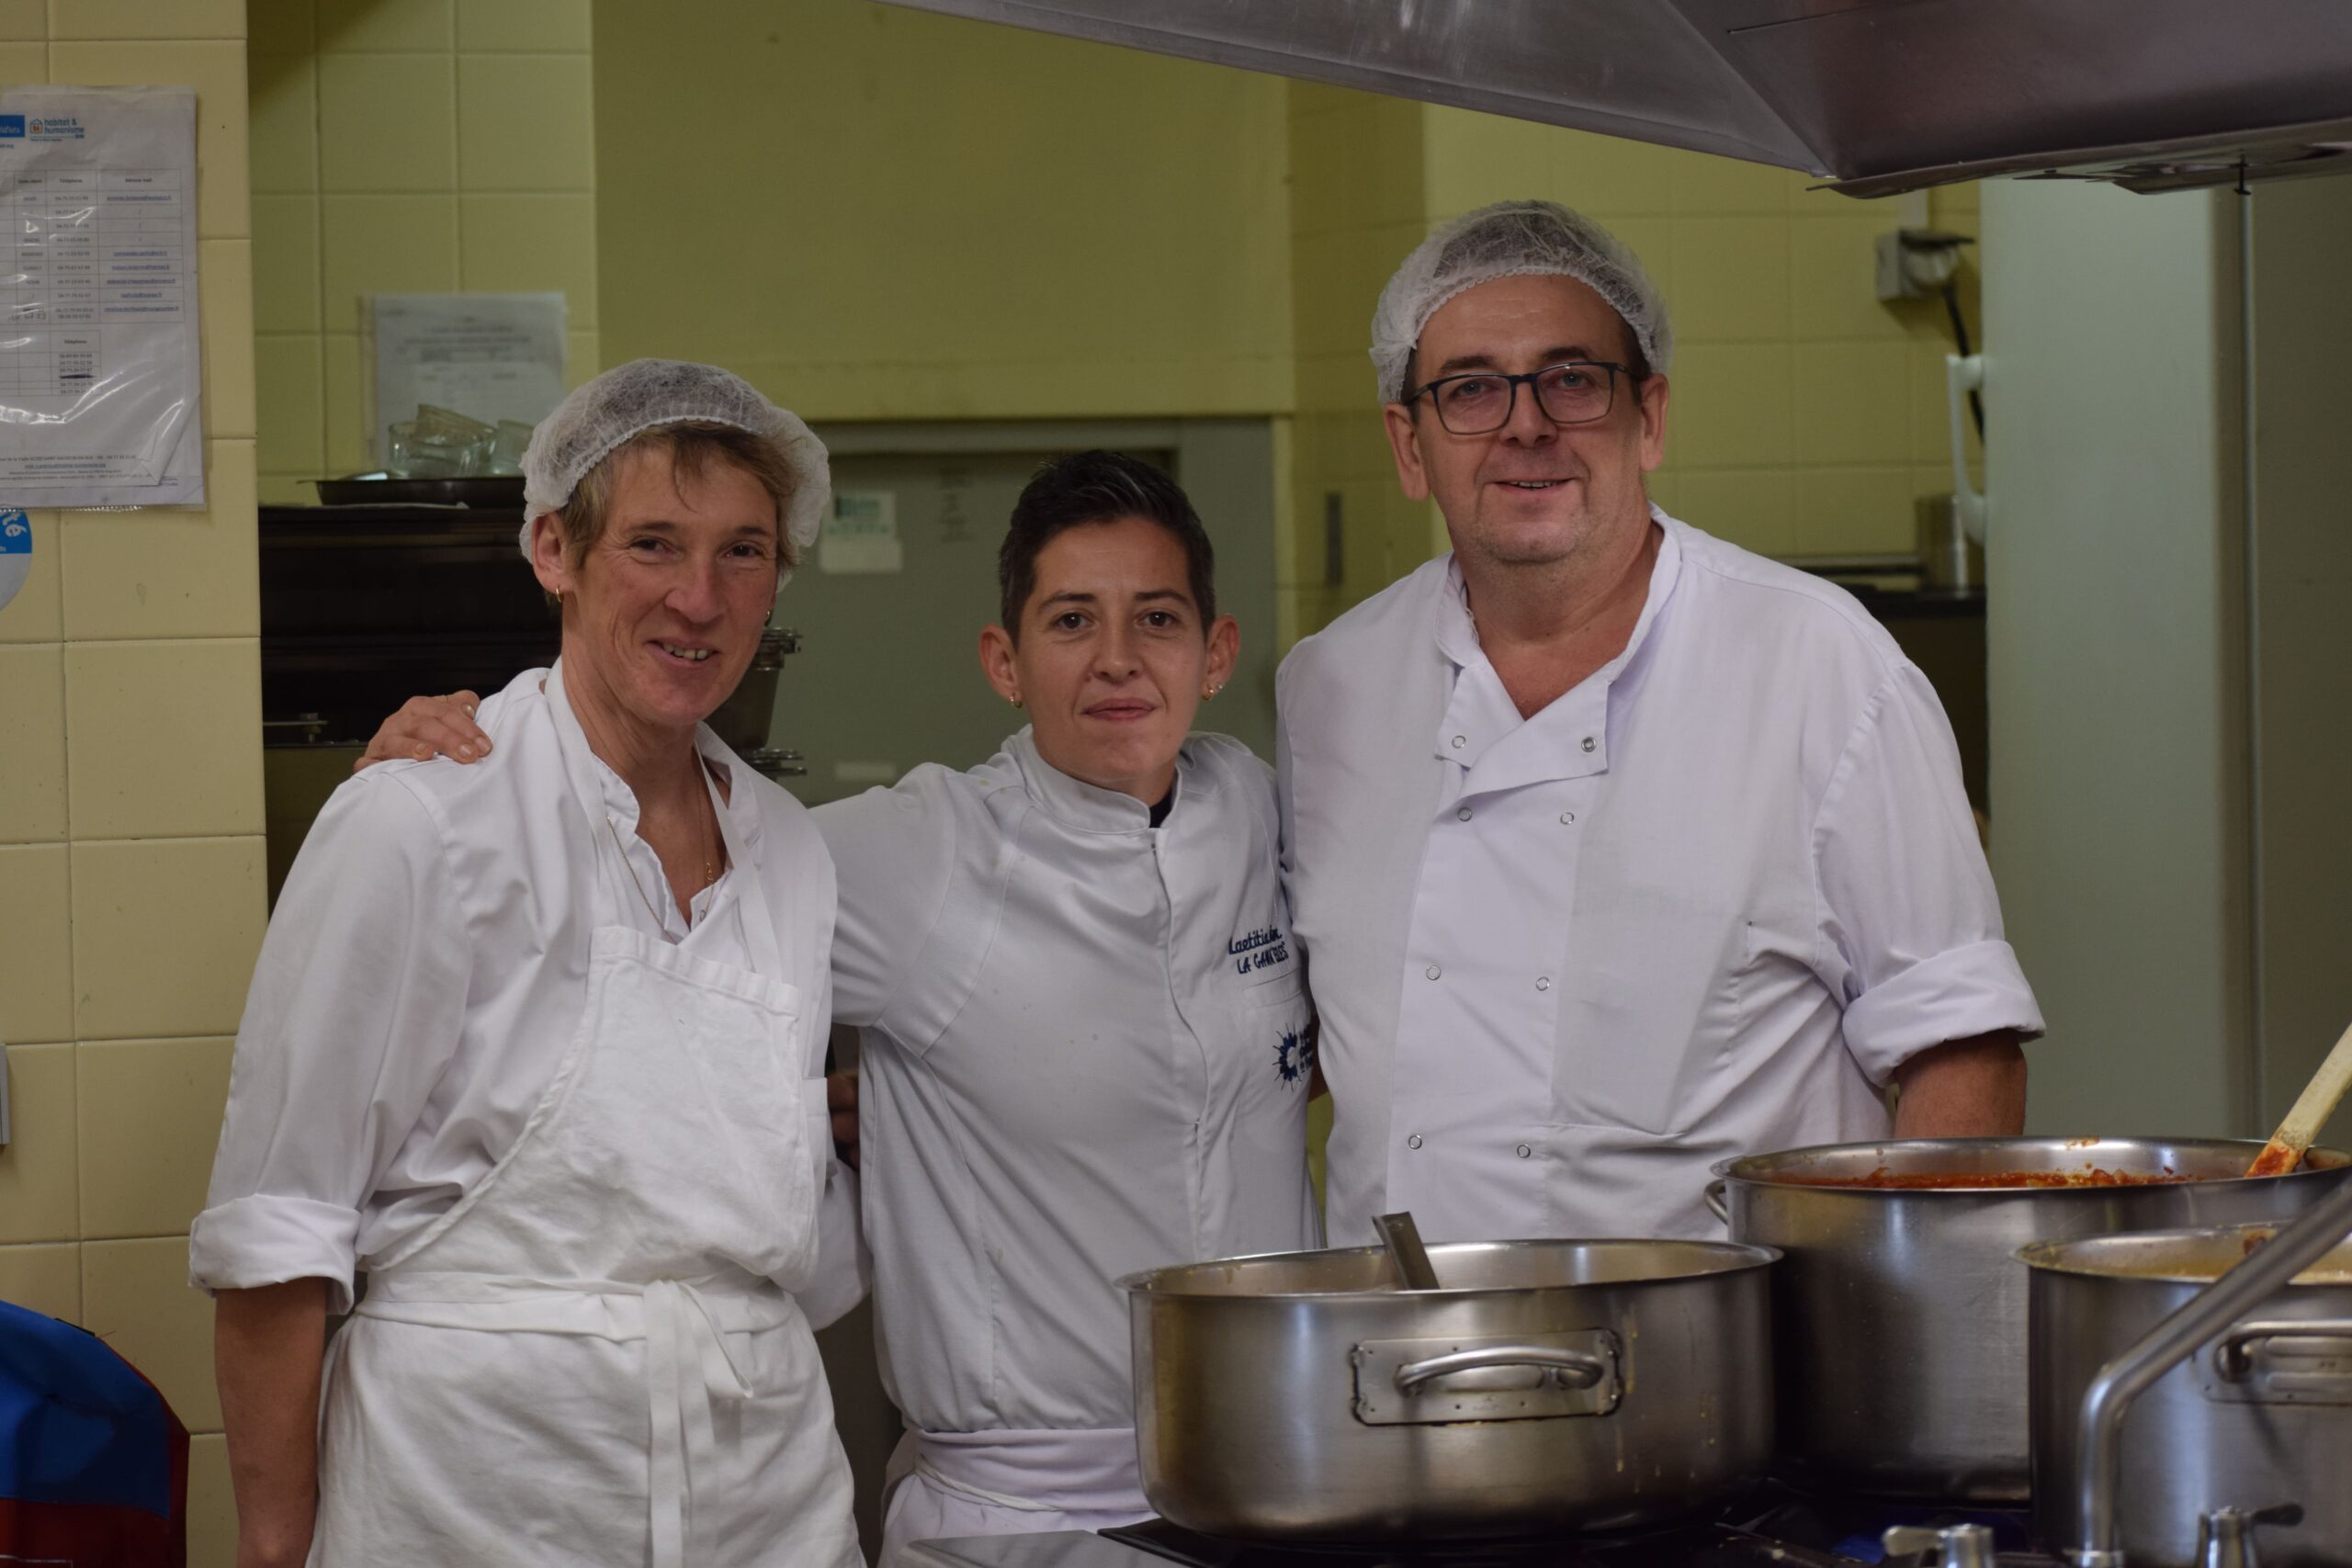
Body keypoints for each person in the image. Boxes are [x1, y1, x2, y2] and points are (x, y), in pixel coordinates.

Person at [356, 451, 1320, 1567]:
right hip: (1026, 1518)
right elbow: (627, 898)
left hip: (1276, 1484)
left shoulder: (1255, 810)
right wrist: (439, 789)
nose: (1117, 660)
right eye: (1069, 621)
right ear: (1003, 663)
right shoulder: (919, 857)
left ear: (1218, 652)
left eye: (1155, 618)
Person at [191, 360, 865, 1568]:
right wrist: (274, 1546)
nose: (700, 599)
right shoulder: (421, 816)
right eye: (655, 543)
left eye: (744, 552)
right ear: (555, 549)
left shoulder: (793, 853)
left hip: (765, 1501)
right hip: (473, 1497)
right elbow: (274, 1236)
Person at [1278, 200, 2045, 1247]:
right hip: (1394, 1364)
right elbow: (1311, 1039)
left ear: (1650, 418)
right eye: (1467, 390)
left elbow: (1960, 1051)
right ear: (1408, 447)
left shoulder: (1819, 662)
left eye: (1570, 379)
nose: (1525, 424)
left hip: (1727, 1370)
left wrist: (1899, 1348)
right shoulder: (1330, 685)